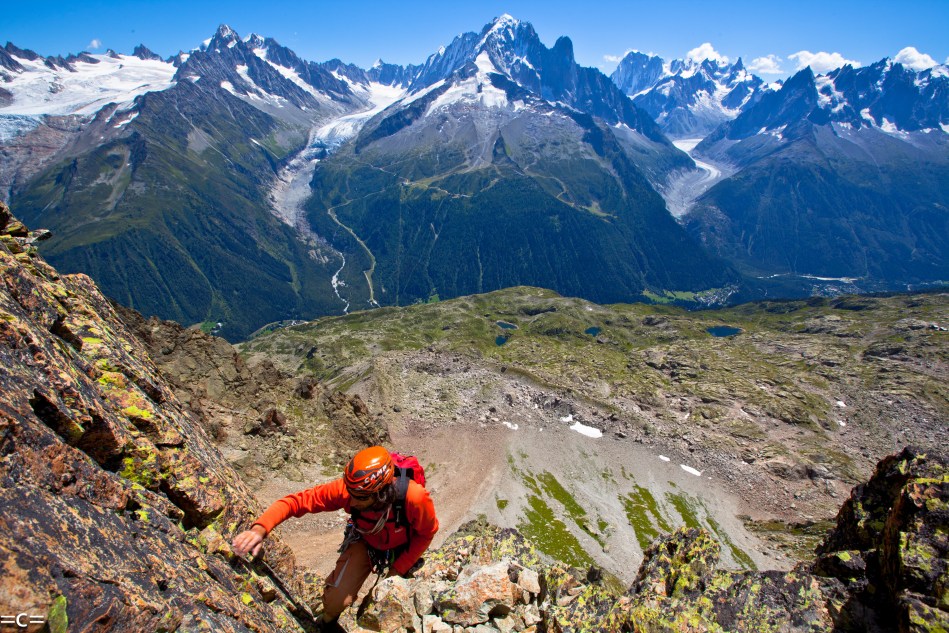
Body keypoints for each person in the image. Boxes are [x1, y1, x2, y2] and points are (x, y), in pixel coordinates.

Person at [232, 446, 439, 632]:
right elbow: (296, 502)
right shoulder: (350, 490)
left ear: (381, 492)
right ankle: (328, 623)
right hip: (365, 540)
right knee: (335, 602)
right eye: (351, 494)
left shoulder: (414, 497)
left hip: (403, 546)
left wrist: (397, 570)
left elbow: (426, 533)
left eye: (360, 498)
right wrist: (259, 529)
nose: (352, 502)